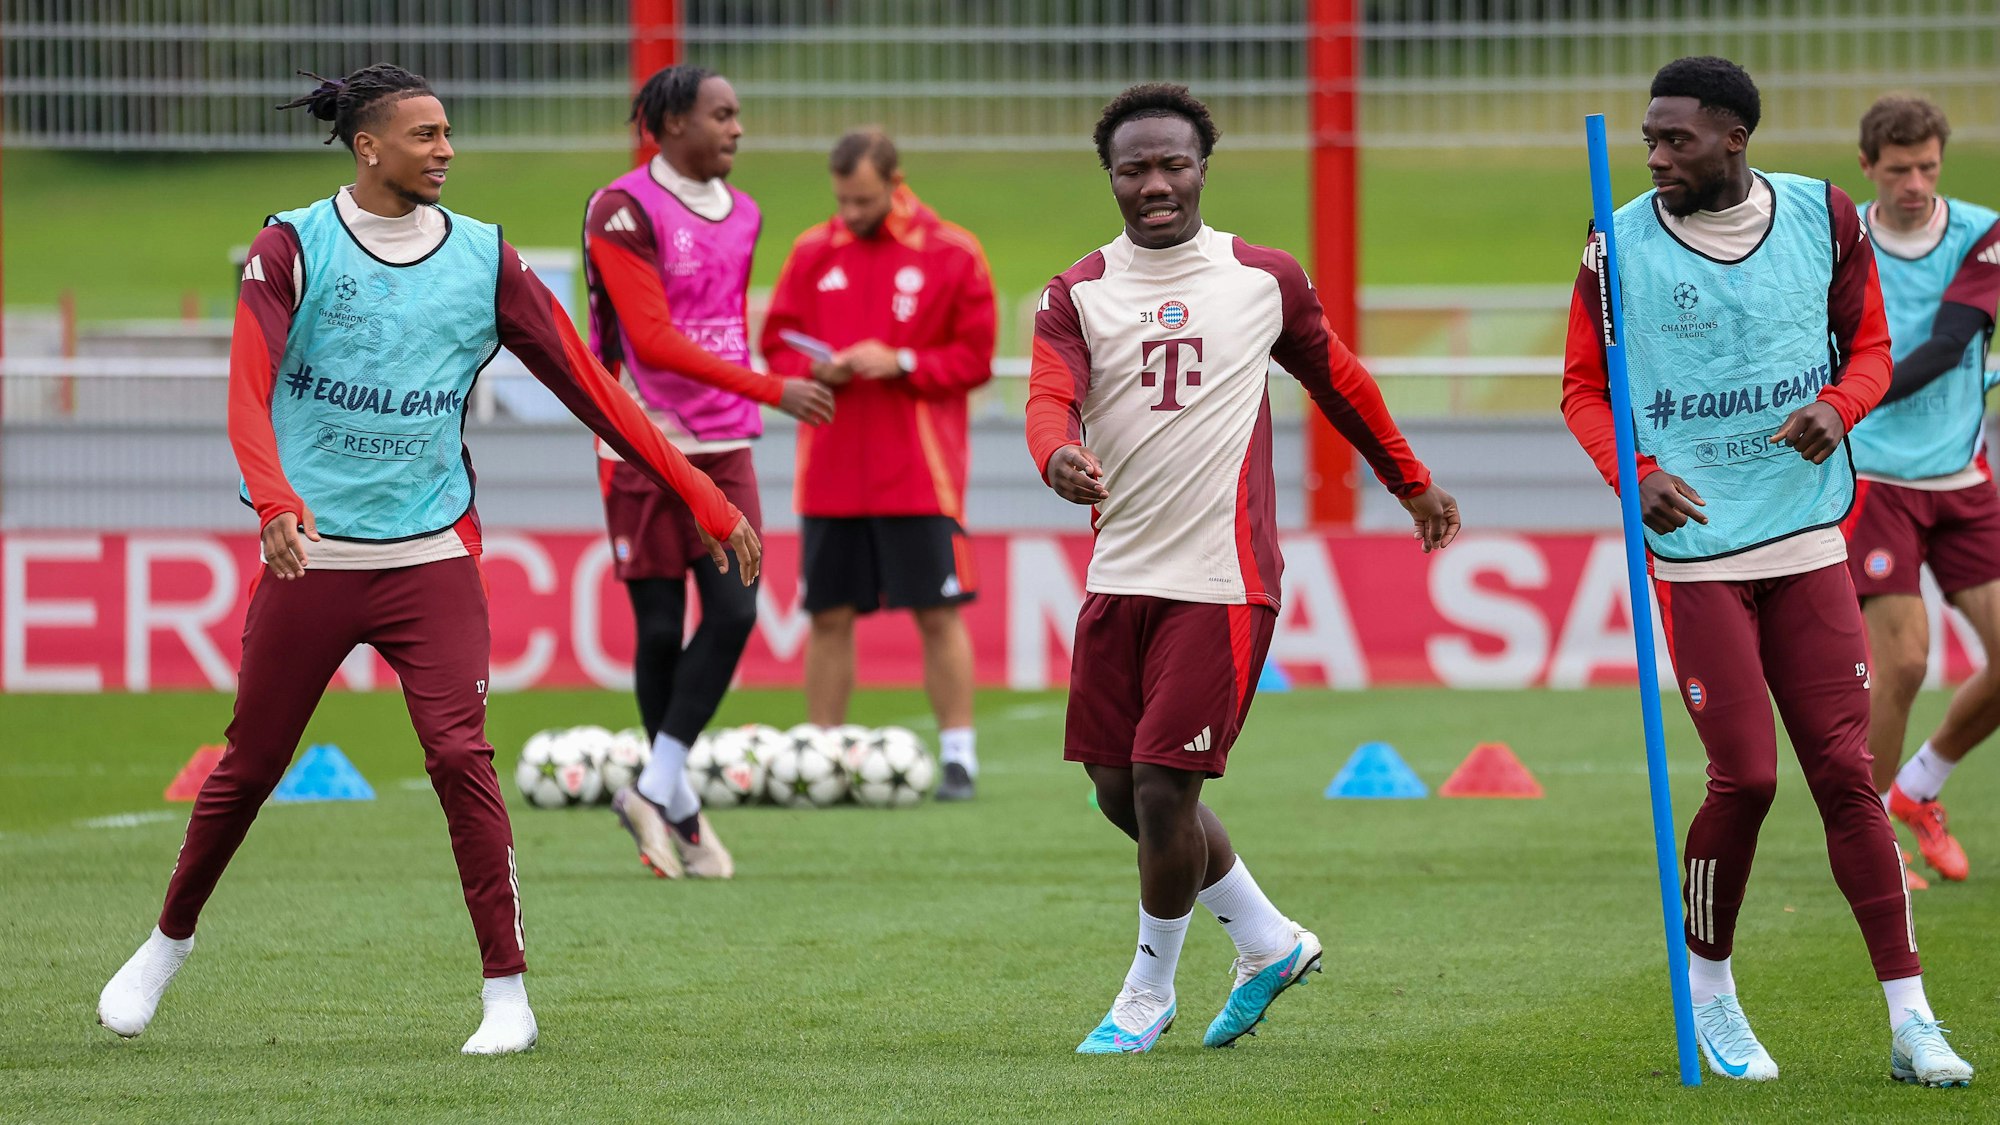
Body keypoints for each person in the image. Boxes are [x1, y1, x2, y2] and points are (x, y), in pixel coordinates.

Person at [95, 64, 759, 1055]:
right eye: (425, 135)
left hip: (431, 554)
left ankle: (506, 996)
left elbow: (594, 387)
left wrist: (698, 492)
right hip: (311, 558)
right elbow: (246, 388)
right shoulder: (291, 247)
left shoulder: (484, 259)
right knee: (250, 766)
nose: (446, 148)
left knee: (459, 755)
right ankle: (165, 945)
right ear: (369, 149)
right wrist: (275, 499)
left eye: (447, 132)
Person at [1561, 56, 1971, 1086]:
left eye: (1676, 141)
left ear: (1733, 138)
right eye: (1649, 139)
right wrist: (1634, 472)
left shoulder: (1822, 216)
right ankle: (1710, 995)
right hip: (1696, 555)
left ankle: (1910, 1019)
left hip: (1806, 538)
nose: (1656, 156)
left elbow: (1869, 349)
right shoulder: (1614, 244)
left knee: (1845, 780)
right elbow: (1578, 389)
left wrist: (1838, 409)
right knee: (1742, 776)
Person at [1028, 83, 1460, 1054]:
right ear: (1109, 176)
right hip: (1120, 570)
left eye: (1171, 164)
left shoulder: (1261, 278)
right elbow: (1048, 394)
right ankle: (1266, 940)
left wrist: (1410, 481)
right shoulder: (1075, 291)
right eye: (1133, 167)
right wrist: (1052, 452)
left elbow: (1336, 379)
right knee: (1112, 786)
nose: (1154, 183)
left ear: (1201, 169)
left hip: (1223, 577)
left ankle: (1146, 991)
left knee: (1159, 790)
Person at [583, 65, 833, 879]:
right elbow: (650, 340)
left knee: (733, 611)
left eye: (737, 113)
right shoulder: (620, 209)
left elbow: (718, 324)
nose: (737, 128)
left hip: (724, 440)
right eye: (722, 115)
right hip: (643, 438)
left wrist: (757, 387)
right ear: (672, 124)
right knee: (658, 629)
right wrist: (774, 386)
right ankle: (681, 807)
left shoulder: (746, 212)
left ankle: (655, 789)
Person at [761, 128, 997, 801]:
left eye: (862, 199)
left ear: (895, 182)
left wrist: (905, 361)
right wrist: (815, 368)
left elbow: (976, 358)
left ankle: (959, 756)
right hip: (831, 471)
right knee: (829, 615)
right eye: (841, 200)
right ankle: (821, 757)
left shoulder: (953, 252)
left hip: (920, 474)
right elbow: (774, 344)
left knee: (937, 613)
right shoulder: (812, 250)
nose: (850, 212)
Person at [1843, 94, 2000, 888]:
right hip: (1875, 480)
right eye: (1899, 169)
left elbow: (1949, 344)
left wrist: (1841, 399)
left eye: (1928, 167)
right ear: (1868, 167)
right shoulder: (1840, 241)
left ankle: (1921, 788)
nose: (1915, 182)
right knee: (1903, 662)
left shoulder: (1983, 230)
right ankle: (1868, 841)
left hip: (1963, 477)